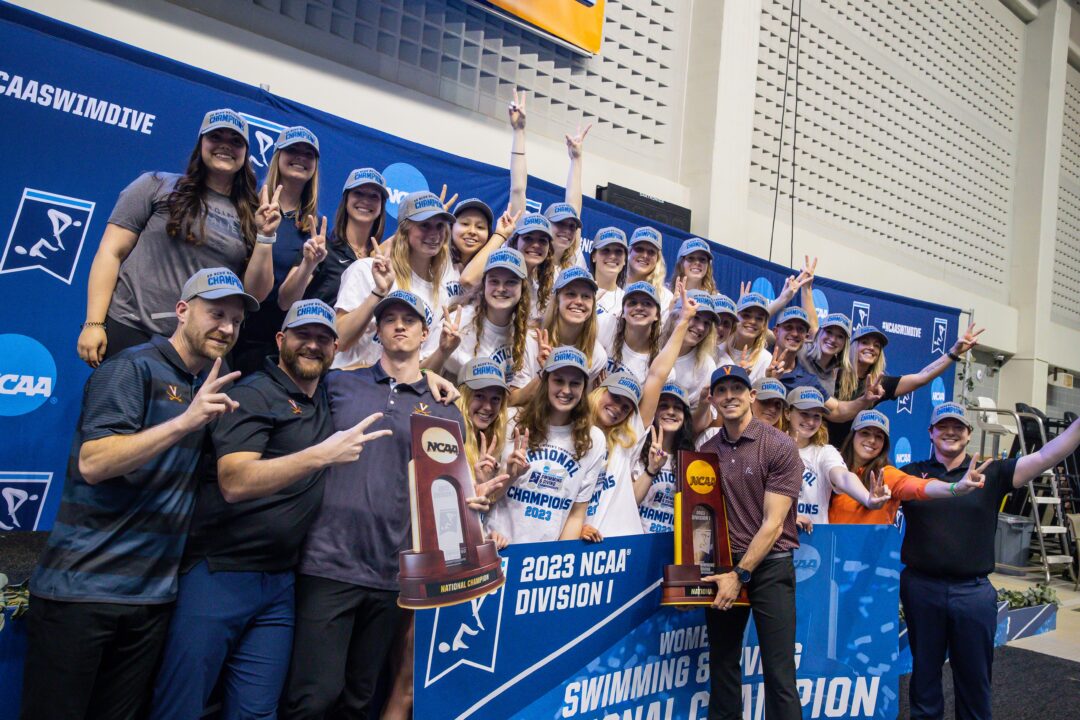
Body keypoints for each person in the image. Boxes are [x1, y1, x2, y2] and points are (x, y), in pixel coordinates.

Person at [22, 268, 258, 720]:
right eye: (216, 313)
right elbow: (94, 463)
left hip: (150, 601)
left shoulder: (205, 386)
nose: (227, 328)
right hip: (82, 593)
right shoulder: (131, 367)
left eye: (235, 320)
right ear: (182, 310)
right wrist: (185, 422)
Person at [148, 300, 391, 719]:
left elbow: (390, 377)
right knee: (180, 707)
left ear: (335, 347)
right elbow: (235, 482)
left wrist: (437, 375)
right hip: (220, 572)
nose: (312, 345)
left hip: (279, 584)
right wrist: (321, 456)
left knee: (256, 714)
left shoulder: (327, 396)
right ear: (281, 339)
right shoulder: (253, 393)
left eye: (322, 338)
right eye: (302, 335)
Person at [278, 289, 482, 718]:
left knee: (359, 700)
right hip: (327, 561)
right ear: (377, 329)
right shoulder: (339, 383)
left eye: (409, 320)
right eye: (390, 319)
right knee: (312, 697)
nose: (400, 325)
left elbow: (444, 496)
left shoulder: (445, 410)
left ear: (426, 333)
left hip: (392, 573)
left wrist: (473, 503)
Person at [898, 402, 1080, 720]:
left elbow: (1045, 456)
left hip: (973, 594)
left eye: (958, 427)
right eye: (943, 426)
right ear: (930, 433)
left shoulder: (992, 473)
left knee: (975, 682)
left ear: (969, 435)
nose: (950, 432)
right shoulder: (912, 474)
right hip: (921, 590)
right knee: (924, 680)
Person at [77, 109, 275, 365]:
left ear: (246, 153)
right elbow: (111, 252)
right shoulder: (155, 185)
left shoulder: (252, 214)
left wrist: (265, 235)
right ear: (201, 143)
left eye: (236, 141)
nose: (225, 146)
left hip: (197, 344)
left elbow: (255, 293)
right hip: (132, 328)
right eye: (216, 137)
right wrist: (94, 322)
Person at [696, 364, 804, 720]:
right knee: (723, 664)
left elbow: (773, 525)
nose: (730, 396)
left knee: (779, 673)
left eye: (737, 389)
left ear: (751, 396)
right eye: (722, 390)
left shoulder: (779, 445)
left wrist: (738, 574)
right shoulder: (707, 451)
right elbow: (702, 519)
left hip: (769, 565)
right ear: (712, 399)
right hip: (726, 566)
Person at [582, 287, 699, 539]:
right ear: (597, 391)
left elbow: (657, 375)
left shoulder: (628, 437)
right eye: (613, 397)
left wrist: (684, 322)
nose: (618, 408)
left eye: (626, 406)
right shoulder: (575, 433)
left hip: (620, 546)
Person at [484, 347, 606, 544]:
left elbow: (576, 514)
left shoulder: (594, 439)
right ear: (546, 381)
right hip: (500, 548)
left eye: (575, 383)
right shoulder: (510, 421)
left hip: (543, 561)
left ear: (584, 388)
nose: (566, 390)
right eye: (558, 380)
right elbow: (485, 496)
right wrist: (510, 475)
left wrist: (556, 561)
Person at [332, 190, 456, 369]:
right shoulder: (367, 270)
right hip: (348, 384)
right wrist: (378, 293)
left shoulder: (441, 293)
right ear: (405, 229)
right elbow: (340, 340)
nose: (434, 234)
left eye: (440, 226)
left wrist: (443, 352)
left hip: (396, 392)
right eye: (424, 225)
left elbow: (419, 368)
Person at [233, 126, 323, 374]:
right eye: (292, 150)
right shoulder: (248, 205)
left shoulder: (312, 227)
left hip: (272, 344)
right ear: (277, 156)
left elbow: (287, 300)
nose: (300, 157)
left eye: (309, 154)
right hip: (230, 325)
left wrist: (309, 263)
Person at [826, 321, 984, 446]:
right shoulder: (832, 373)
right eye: (865, 342)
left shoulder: (880, 384)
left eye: (877, 345)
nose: (871, 348)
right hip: (820, 447)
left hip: (848, 453)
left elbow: (922, 377)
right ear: (853, 346)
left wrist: (954, 352)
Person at [829, 410, 984, 525]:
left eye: (879, 437)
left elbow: (919, 486)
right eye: (865, 433)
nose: (872, 440)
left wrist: (954, 488)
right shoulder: (831, 465)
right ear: (852, 436)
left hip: (869, 562)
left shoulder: (885, 475)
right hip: (827, 554)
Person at [277, 167, 388, 309]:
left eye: (374, 196)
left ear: (381, 206)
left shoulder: (379, 261)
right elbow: (285, 302)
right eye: (358, 193)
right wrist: (308, 264)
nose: (365, 200)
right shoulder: (322, 249)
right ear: (346, 200)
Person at [783, 387, 889, 532]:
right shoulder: (769, 448)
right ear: (788, 413)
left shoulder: (825, 452)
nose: (811, 421)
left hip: (815, 542)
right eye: (804, 414)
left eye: (817, 416)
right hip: (774, 541)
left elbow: (843, 477)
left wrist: (867, 499)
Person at [510, 267, 607, 404]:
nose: (579, 301)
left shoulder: (596, 354)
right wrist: (544, 373)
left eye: (586, 296)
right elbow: (512, 400)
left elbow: (579, 409)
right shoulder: (531, 340)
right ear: (557, 300)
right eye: (571, 294)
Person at [634, 383, 695, 533]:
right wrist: (652, 469)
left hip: (674, 547)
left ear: (685, 417)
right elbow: (628, 503)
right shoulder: (637, 450)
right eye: (664, 406)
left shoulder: (691, 458)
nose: (671, 412)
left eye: (678, 408)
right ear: (654, 411)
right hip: (638, 542)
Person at [598, 281, 664, 380]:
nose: (639, 307)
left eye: (647, 303)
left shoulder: (658, 362)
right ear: (623, 312)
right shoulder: (607, 324)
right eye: (632, 303)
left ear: (657, 315)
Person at [507, 211, 556, 323]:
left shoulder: (541, 291)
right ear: (515, 242)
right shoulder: (499, 279)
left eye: (542, 240)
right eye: (528, 238)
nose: (536, 245)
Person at [718, 292, 773, 383]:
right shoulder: (718, 347)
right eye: (746, 315)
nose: (752, 321)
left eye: (759, 318)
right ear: (735, 318)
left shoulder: (765, 359)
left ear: (764, 326)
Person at [626, 226, 674, 312]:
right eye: (639, 249)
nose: (645, 255)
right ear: (629, 252)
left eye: (651, 252)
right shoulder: (614, 286)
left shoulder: (665, 297)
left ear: (657, 259)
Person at [588, 226, 628, 317]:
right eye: (606, 250)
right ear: (594, 256)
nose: (612, 256)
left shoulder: (627, 301)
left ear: (625, 260)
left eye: (618, 252)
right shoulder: (579, 290)